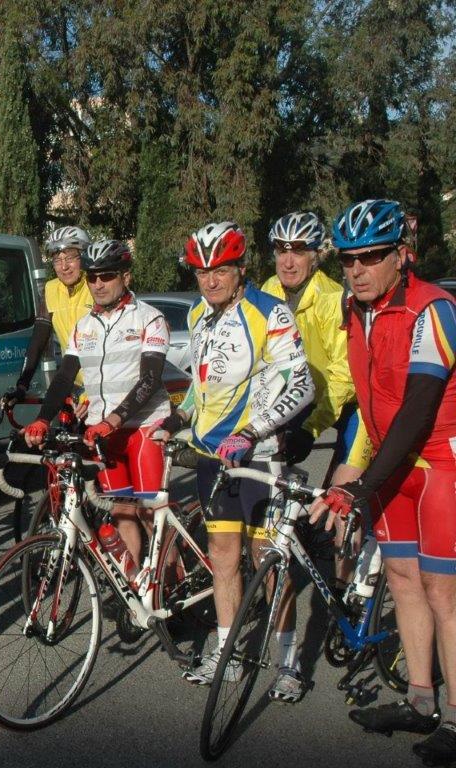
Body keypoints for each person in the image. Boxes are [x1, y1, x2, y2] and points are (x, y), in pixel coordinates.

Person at [309, 199, 456, 764]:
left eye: (371, 257)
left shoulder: (432, 309)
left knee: (443, 592)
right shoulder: (356, 311)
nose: (357, 269)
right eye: (348, 260)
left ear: (401, 255)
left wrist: (361, 486)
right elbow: (368, 408)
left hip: (440, 465)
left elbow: (417, 410)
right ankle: (420, 700)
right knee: (402, 580)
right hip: (394, 470)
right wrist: (352, 468)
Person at [155, 222, 314, 699]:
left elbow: (302, 384)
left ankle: (288, 663)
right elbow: (201, 388)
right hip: (213, 460)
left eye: (220, 270)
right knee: (223, 558)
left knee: (269, 561)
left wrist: (252, 431)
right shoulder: (200, 315)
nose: (210, 281)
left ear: (241, 268)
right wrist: (178, 417)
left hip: (259, 459)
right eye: (202, 272)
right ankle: (227, 655)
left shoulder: (269, 313)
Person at [23, 240, 170, 572]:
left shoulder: (149, 318)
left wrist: (113, 420)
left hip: (144, 428)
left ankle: (170, 582)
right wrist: (42, 419)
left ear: (126, 276)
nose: (98, 284)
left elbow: (150, 380)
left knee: (150, 514)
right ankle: (134, 586)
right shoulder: (84, 326)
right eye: (92, 277)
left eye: (107, 276)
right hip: (103, 433)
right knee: (121, 512)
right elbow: (65, 376)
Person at [262, 211, 372, 585]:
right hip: (303, 398)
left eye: (298, 251)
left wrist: (310, 428)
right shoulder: (268, 291)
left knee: (342, 497)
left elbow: (344, 377)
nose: (288, 261)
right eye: (281, 251)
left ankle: (344, 589)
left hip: (351, 404)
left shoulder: (332, 299)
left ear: (315, 255)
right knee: (273, 473)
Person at [3, 225, 92, 407]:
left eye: (70, 258)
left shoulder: (96, 286)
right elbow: (39, 340)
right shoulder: (51, 289)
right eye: (57, 260)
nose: (64, 267)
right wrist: (22, 385)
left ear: (83, 257)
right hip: (74, 384)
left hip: (103, 383)